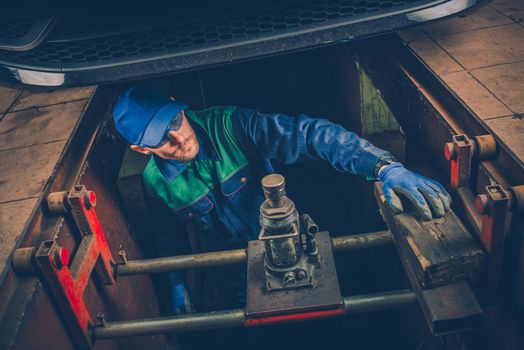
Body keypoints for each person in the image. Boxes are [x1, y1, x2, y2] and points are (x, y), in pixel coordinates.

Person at [113, 86, 451, 314]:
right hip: (235, 277)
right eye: (162, 139)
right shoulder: (156, 185)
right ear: (142, 149)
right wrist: (177, 283)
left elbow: (310, 136)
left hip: (296, 253)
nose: (179, 138)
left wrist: (384, 167)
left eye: (174, 121)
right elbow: (167, 235)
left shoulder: (231, 126)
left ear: (177, 104)